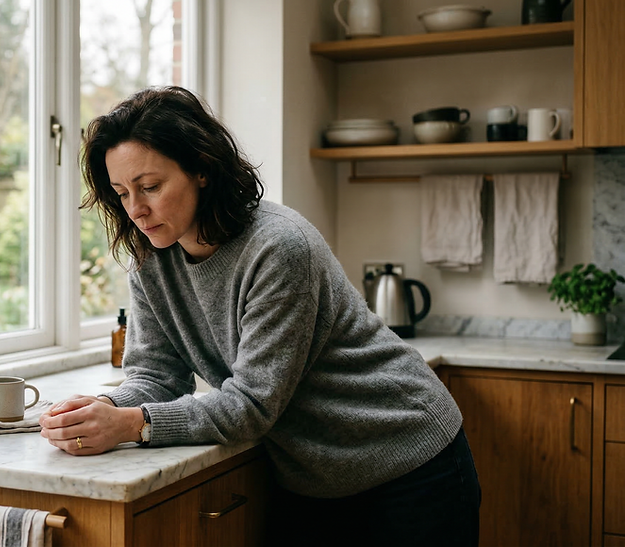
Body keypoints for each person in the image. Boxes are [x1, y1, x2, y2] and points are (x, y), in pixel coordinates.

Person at [38, 86, 480, 546]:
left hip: (406, 461)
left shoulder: (279, 247)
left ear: (202, 170)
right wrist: (105, 409)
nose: (136, 210)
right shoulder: (150, 258)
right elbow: (155, 373)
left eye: (150, 187)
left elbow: (251, 405)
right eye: (122, 192)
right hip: (312, 476)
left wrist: (133, 424)